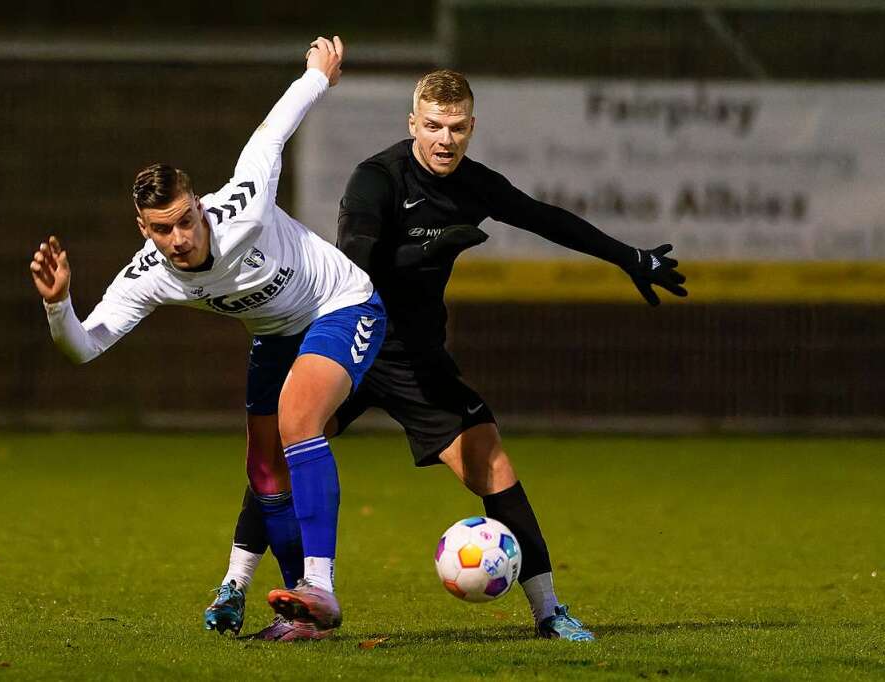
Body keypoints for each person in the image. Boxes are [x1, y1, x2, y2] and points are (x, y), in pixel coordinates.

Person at [205, 68, 687, 642]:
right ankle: (235, 586)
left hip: (418, 360)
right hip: (353, 341)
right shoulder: (375, 180)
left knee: (493, 464)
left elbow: (545, 218)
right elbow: (353, 265)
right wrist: (423, 251)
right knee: (288, 446)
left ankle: (549, 613)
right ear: (413, 124)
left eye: (456, 127)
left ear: (471, 128)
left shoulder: (473, 184)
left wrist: (629, 258)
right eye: (433, 125)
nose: (444, 138)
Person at [29, 36, 382, 640]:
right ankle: (306, 612)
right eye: (163, 229)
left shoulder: (241, 210)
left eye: (187, 218)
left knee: (299, 419)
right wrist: (59, 304)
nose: (181, 237)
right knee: (266, 473)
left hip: (342, 304)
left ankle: (320, 585)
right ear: (143, 228)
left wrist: (318, 75)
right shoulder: (147, 276)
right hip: (275, 336)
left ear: (198, 204)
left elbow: (271, 133)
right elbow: (84, 347)